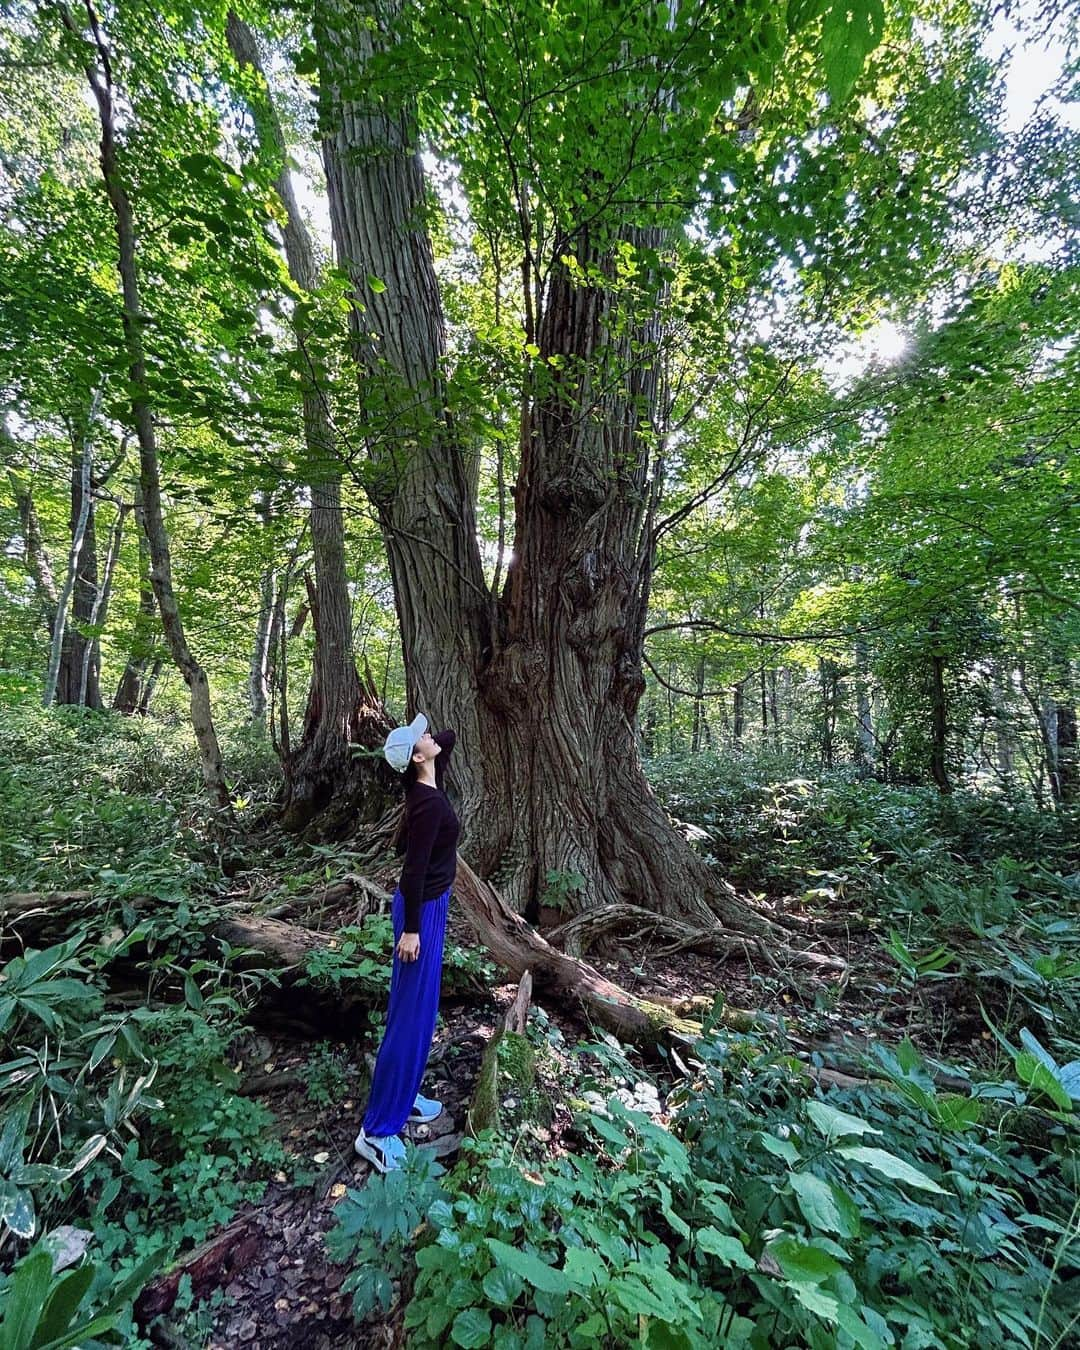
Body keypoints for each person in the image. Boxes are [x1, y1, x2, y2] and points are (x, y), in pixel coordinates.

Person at [354, 712, 461, 1173]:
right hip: (420, 913)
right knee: (408, 1016)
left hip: (430, 908)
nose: (431, 734)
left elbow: (449, 737)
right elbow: (413, 871)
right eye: (423, 737)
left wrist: (423, 745)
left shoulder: (425, 785)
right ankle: (377, 1131)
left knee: (420, 1012)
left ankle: (404, 1093)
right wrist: (412, 931)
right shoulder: (427, 805)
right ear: (418, 757)